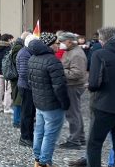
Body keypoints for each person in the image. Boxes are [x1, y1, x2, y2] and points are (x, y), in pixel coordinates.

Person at [28, 32, 70, 167]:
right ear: (50, 45)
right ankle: (44, 161)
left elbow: (30, 82)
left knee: (39, 132)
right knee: (50, 135)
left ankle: (37, 159)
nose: (59, 45)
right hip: (52, 105)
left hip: (39, 102)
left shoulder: (33, 58)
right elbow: (60, 87)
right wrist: (65, 103)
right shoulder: (52, 60)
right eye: (57, 43)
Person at [87, 26, 115, 167]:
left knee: (94, 144)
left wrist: (89, 86)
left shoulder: (100, 54)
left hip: (105, 106)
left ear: (102, 40)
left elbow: (94, 83)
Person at [57, 32, 87, 150]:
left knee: (72, 113)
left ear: (69, 41)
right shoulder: (71, 51)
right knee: (76, 112)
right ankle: (80, 137)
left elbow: (77, 73)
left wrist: (59, 70)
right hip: (72, 85)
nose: (60, 44)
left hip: (73, 86)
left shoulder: (76, 54)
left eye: (61, 42)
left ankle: (74, 140)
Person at [17, 33, 38, 147]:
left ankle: (29, 135)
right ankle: (25, 137)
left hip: (29, 86)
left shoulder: (28, 52)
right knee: (27, 113)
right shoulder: (25, 53)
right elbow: (24, 73)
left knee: (30, 113)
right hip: (26, 87)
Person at [0, 33, 14, 113]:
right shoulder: (9, 48)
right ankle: (7, 108)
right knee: (8, 90)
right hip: (7, 72)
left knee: (0, 89)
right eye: (11, 39)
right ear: (8, 39)